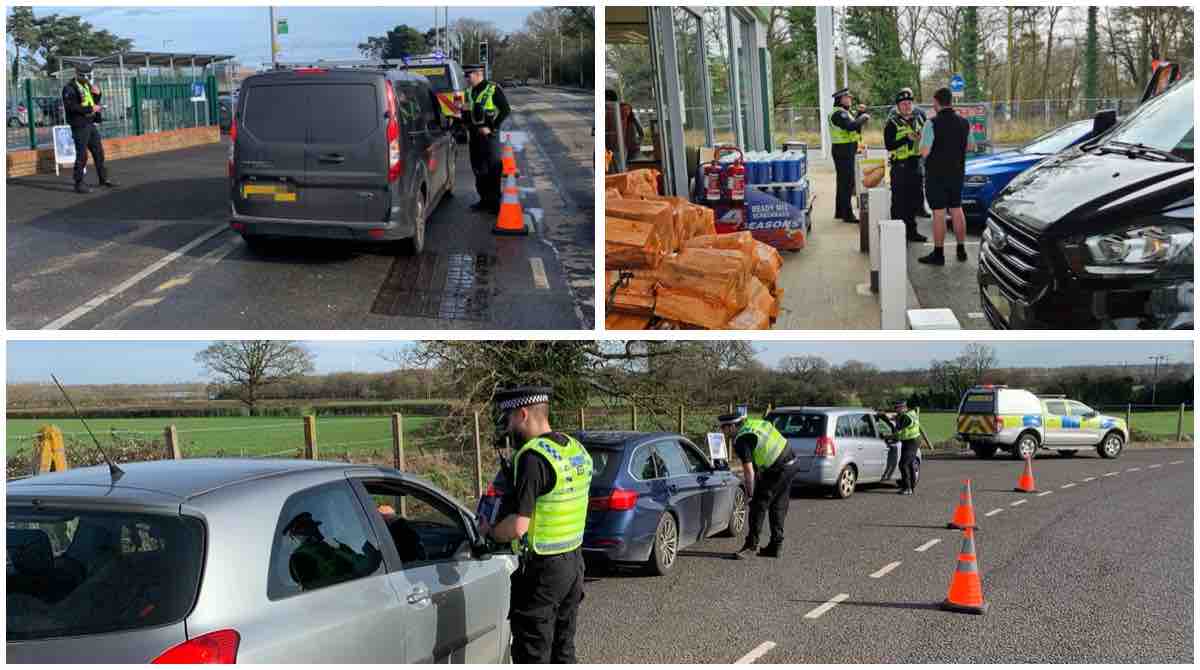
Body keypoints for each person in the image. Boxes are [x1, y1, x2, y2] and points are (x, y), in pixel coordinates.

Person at [478, 386, 592, 664]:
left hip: (543, 572)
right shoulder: (574, 449)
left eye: (508, 419)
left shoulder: (532, 458)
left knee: (533, 653)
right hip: (574, 565)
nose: (507, 427)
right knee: (563, 650)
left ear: (523, 414)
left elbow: (518, 526)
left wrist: (490, 531)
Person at [718, 412, 801, 558]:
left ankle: (751, 546)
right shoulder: (754, 423)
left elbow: (749, 471)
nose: (722, 432)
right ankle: (775, 546)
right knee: (778, 505)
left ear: (731, 427)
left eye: (723, 428)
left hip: (778, 469)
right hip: (792, 463)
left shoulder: (741, 440)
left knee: (757, 505)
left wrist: (750, 494)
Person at [918, 87, 976, 265]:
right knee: (957, 209)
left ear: (936, 102)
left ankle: (939, 254)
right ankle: (961, 249)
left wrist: (922, 139)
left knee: (939, 213)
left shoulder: (931, 123)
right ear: (950, 101)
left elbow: (924, 151)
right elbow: (971, 147)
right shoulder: (964, 123)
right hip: (957, 173)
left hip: (936, 175)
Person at [62, 62, 117, 194]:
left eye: (88, 75)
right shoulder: (69, 88)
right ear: (77, 74)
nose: (87, 78)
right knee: (82, 155)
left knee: (99, 152)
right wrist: (90, 108)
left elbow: (92, 101)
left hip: (90, 123)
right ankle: (79, 183)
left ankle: (103, 179)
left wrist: (98, 95)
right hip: (79, 125)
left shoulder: (86, 86)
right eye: (84, 75)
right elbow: (71, 107)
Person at [462, 64, 511, 214]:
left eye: (469, 76)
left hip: (490, 137)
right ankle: (484, 200)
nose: (467, 79)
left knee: (493, 169)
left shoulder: (493, 89)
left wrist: (492, 127)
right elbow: (465, 111)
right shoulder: (468, 92)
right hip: (475, 137)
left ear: (478, 74)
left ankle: (495, 203)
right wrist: (464, 124)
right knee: (478, 169)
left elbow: (505, 110)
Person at [883, 89, 927, 243]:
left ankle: (912, 232)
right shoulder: (892, 123)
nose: (907, 106)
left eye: (909, 103)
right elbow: (889, 145)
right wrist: (906, 139)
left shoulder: (919, 119)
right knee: (899, 202)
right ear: (898, 106)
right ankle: (896, 234)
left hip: (916, 164)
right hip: (900, 167)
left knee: (913, 201)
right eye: (903, 104)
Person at [829, 88, 870, 223]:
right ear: (840, 99)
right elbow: (850, 126)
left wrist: (860, 114)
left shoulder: (845, 112)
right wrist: (863, 117)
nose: (850, 100)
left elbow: (854, 126)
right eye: (848, 98)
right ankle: (847, 215)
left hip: (846, 149)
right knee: (847, 182)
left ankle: (840, 211)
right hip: (843, 151)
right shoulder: (838, 114)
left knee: (843, 182)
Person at [878, 400, 922, 495]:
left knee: (903, 464)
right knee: (910, 464)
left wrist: (886, 436)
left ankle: (907, 488)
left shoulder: (905, 417)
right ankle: (911, 487)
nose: (895, 410)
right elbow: (897, 418)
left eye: (896, 408)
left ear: (902, 407)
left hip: (911, 442)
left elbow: (897, 432)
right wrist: (888, 416)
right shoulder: (910, 413)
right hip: (912, 440)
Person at [605, 88, 644, 161]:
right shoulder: (625, 109)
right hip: (624, 148)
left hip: (614, 148)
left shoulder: (610, 112)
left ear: (607, 100)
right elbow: (641, 131)